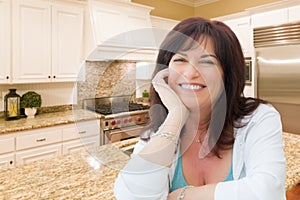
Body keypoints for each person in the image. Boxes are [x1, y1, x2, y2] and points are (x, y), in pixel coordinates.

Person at [114, 17, 286, 200]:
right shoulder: (162, 129)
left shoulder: (258, 118)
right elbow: (131, 195)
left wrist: (184, 195)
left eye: (207, 62)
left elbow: (269, 192)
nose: (189, 73)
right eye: (180, 59)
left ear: (226, 74)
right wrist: (175, 118)